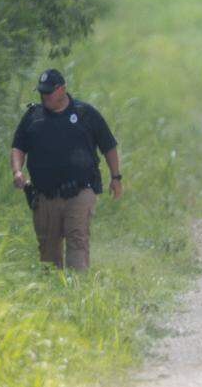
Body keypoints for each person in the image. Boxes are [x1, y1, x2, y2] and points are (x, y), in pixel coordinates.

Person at [10, 68, 122, 269]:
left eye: (49, 92)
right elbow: (18, 147)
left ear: (61, 89)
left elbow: (109, 146)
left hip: (80, 190)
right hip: (45, 194)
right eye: (41, 93)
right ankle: (55, 292)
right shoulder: (33, 116)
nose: (44, 97)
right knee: (47, 249)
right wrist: (17, 171)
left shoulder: (85, 114)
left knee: (77, 238)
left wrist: (116, 177)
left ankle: (77, 290)